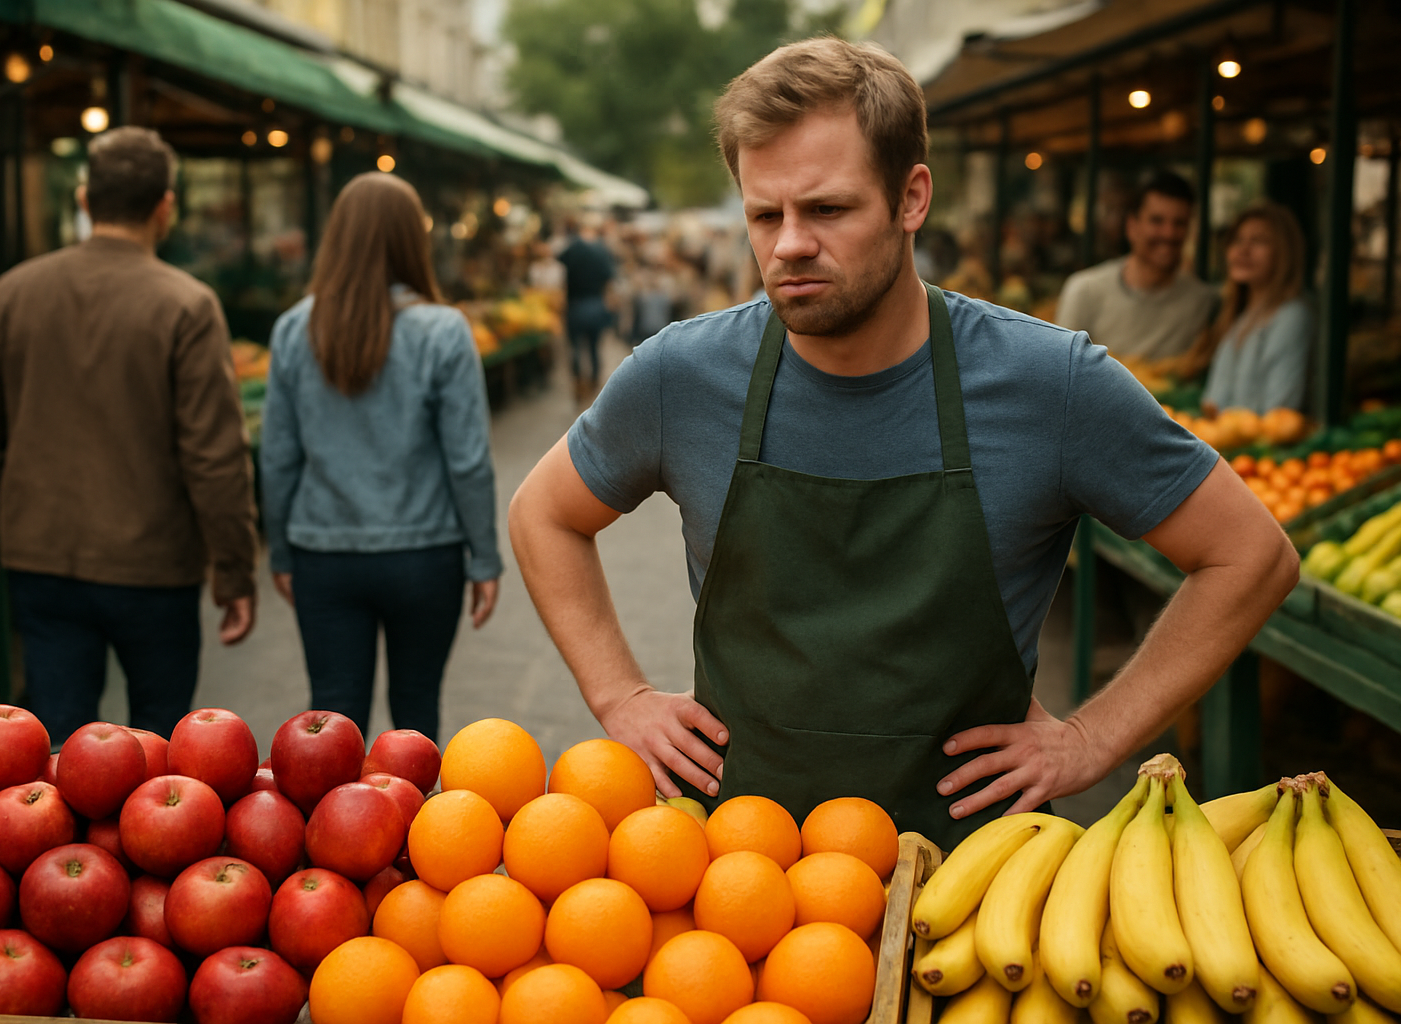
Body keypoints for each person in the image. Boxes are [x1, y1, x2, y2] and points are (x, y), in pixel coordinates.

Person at [508, 38, 1298, 848]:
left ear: (912, 197)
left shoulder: (1049, 382)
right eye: (763, 214)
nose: (788, 246)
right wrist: (620, 697)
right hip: (743, 884)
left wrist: (1093, 738)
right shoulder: (683, 373)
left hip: (977, 884)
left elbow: (1250, 556)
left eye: (827, 209)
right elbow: (544, 514)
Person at [0, 127, 257, 745]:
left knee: (53, 758)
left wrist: (20, 512)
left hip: (42, 559)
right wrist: (232, 570)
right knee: (159, 757)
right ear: (164, 206)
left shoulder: (11, 293)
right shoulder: (187, 305)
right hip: (154, 568)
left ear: (86, 198)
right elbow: (215, 459)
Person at [259, 173, 502, 741]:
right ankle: (421, 830)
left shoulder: (296, 329)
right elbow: (467, 460)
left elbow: (277, 457)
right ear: (409, 241)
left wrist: (280, 551)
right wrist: (485, 556)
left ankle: (334, 830)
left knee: (331, 725)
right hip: (426, 557)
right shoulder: (444, 331)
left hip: (323, 555)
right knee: (415, 720)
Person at [1054, 171, 1218, 362]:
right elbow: (1061, 370)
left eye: (1179, 223)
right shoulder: (1085, 290)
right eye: (1157, 221)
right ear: (1132, 226)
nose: (1169, 233)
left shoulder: (1204, 302)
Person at [1196, 203, 1313, 415]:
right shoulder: (1237, 316)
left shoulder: (1292, 317)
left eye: (1258, 240)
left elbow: (1279, 413)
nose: (1243, 250)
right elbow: (1212, 405)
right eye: (1238, 240)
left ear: (1284, 252)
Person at [558, 215, 617, 401]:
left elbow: (559, 261)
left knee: (575, 347)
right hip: (595, 304)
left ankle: (578, 383)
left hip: (575, 305)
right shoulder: (601, 249)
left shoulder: (573, 247)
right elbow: (609, 278)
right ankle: (594, 383)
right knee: (594, 348)